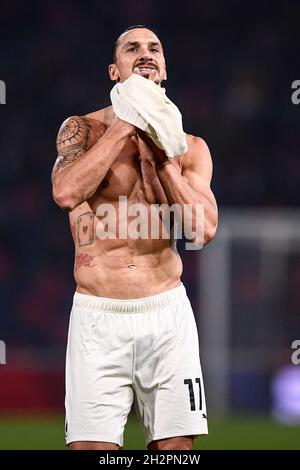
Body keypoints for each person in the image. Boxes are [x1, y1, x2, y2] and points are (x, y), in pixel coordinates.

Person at [51, 25, 218, 451]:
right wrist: (126, 124)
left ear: (163, 69)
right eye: (132, 48)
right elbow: (67, 192)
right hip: (98, 315)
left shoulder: (190, 148)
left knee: (175, 452)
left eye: (154, 48)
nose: (145, 53)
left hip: (166, 314)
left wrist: (164, 162)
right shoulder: (82, 131)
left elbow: (203, 228)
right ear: (114, 70)